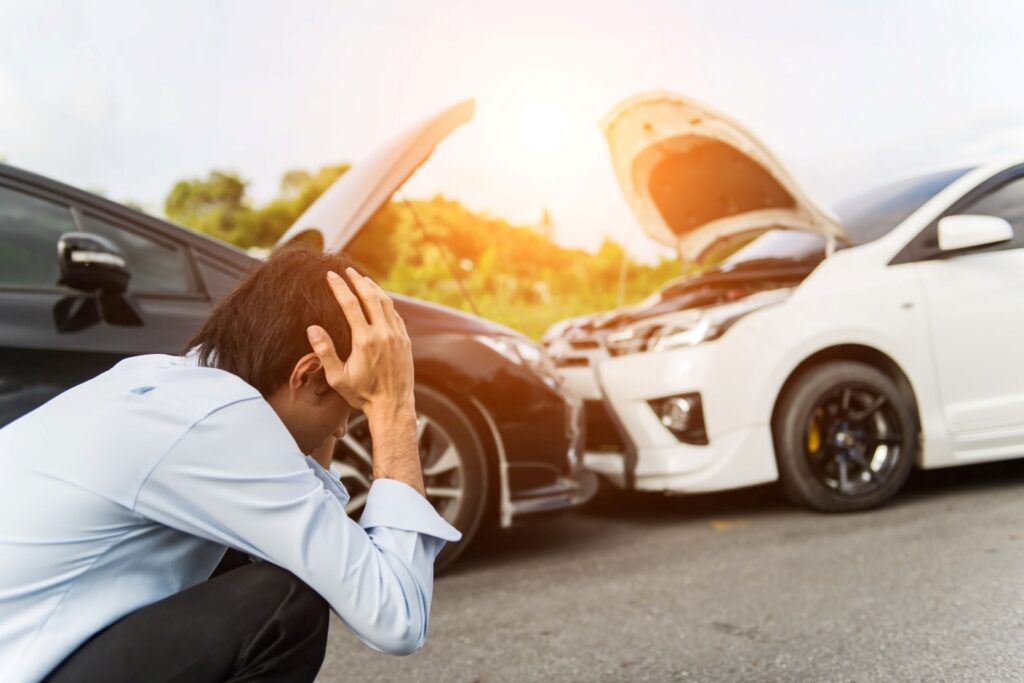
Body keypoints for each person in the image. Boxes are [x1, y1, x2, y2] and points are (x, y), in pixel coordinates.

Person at [0, 248, 460, 683]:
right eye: (348, 405)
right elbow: (398, 617)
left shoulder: (164, 382)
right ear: (307, 374)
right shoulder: (221, 422)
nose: (342, 430)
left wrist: (323, 407)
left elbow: (314, 545)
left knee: (254, 558)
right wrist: (393, 404)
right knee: (283, 606)